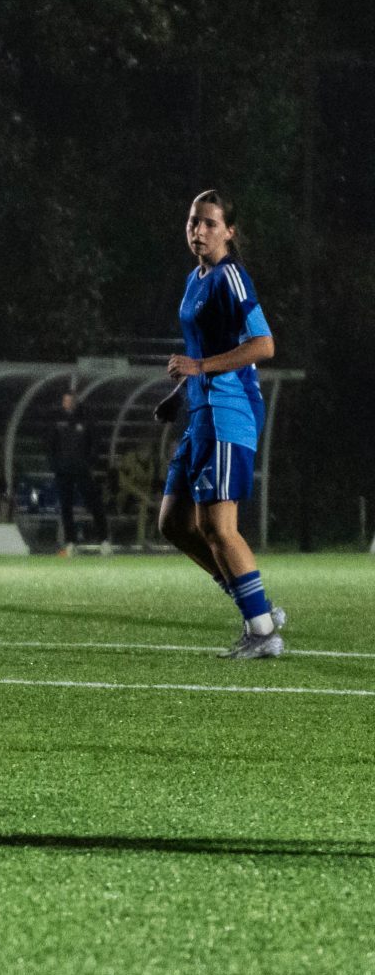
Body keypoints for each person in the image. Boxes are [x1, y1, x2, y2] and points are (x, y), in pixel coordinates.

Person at [155, 189, 284, 659]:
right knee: (173, 523)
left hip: (231, 410)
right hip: (202, 411)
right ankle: (257, 607)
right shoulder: (196, 278)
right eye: (194, 221)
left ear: (229, 231)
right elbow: (203, 351)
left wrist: (198, 368)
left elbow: (264, 345)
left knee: (218, 527)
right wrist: (179, 395)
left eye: (210, 223)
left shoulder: (231, 276)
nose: (199, 230)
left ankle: (262, 631)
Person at [49, 389, 109, 552]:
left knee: (94, 503)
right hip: (63, 471)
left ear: (75, 402)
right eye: (64, 401)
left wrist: (88, 463)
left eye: (69, 401)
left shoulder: (86, 418)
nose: (66, 404)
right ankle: (71, 542)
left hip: (82, 470)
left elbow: (96, 442)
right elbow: (50, 444)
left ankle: (104, 540)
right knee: (66, 506)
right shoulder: (57, 420)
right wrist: (55, 464)